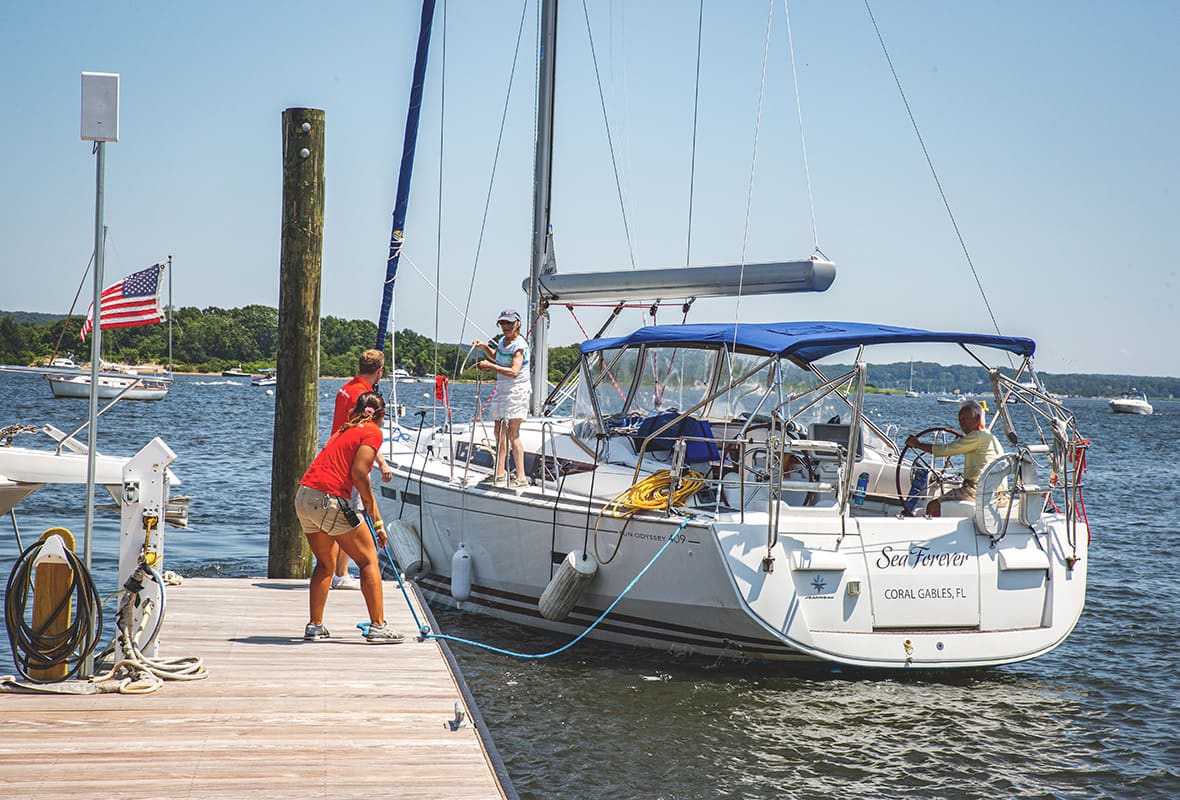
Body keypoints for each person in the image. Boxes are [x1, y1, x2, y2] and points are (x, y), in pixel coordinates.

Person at [295, 391, 404, 643]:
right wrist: (377, 522)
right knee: (368, 560)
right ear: (381, 416)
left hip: (304, 496)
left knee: (325, 564)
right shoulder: (373, 431)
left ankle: (315, 626)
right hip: (328, 500)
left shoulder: (345, 429)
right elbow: (359, 474)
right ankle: (378, 627)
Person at [329, 349, 394, 590]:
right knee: (351, 516)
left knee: (338, 518)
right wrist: (382, 463)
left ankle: (334, 571)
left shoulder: (345, 388)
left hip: (336, 455)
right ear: (379, 372)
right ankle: (341, 573)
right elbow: (362, 433)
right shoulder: (362, 396)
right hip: (352, 461)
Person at [904, 399, 1003, 517]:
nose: (961, 424)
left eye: (964, 419)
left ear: (977, 418)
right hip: (996, 492)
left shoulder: (977, 436)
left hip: (977, 491)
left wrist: (917, 444)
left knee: (933, 506)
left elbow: (946, 450)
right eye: (960, 421)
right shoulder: (989, 437)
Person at [473, 309, 531, 487]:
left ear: (517, 324)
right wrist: (484, 348)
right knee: (498, 432)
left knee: (513, 433)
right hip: (502, 389)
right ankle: (499, 472)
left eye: (509, 323)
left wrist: (490, 366)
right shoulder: (503, 341)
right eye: (503, 323)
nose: (505, 326)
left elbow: (514, 371)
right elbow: (497, 357)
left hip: (516, 391)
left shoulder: (519, 346)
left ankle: (521, 477)